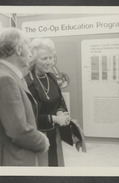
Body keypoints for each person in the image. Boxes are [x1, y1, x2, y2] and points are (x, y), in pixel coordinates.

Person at [0, 28, 49, 166]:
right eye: (28, 47)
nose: (30, 54)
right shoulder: (4, 80)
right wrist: (42, 141)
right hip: (15, 160)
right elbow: (18, 131)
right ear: (18, 49)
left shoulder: (3, 75)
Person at [25, 38, 71, 166]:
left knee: (56, 166)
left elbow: (60, 101)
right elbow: (30, 117)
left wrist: (60, 113)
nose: (49, 62)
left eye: (51, 58)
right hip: (39, 136)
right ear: (34, 60)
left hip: (54, 133)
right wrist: (55, 119)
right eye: (44, 58)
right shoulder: (28, 83)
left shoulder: (51, 77)